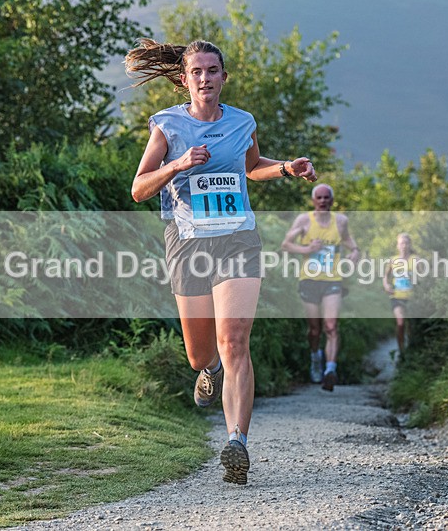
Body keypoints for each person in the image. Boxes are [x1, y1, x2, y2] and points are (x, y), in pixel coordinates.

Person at [126, 38, 317, 485]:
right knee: (200, 354)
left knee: (234, 341)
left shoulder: (242, 122)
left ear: (223, 77)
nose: (205, 79)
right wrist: (177, 166)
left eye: (213, 71)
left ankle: (237, 442)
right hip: (188, 242)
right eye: (197, 72)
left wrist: (288, 167)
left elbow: (251, 167)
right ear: (184, 79)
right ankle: (208, 371)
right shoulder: (167, 126)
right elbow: (138, 189)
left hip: (237, 239)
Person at [281, 184, 360, 391]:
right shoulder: (304, 220)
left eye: (327, 197)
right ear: (313, 200)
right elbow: (286, 244)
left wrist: (354, 252)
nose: (323, 201)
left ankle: (330, 370)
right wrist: (307, 248)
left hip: (333, 279)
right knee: (315, 330)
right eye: (319, 197)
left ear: (332, 201)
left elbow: (351, 243)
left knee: (331, 326)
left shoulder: (341, 222)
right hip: (309, 280)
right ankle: (316, 359)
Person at [383, 233, 418, 356]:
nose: (404, 246)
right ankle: (401, 351)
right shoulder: (393, 260)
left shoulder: (415, 259)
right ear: (397, 246)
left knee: (411, 325)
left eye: (406, 243)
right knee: (400, 322)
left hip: (412, 297)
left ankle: (411, 349)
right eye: (401, 243)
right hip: (396, 297)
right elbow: (386, 276)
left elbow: (423, 275)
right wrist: (386, 285)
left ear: (410, 245)